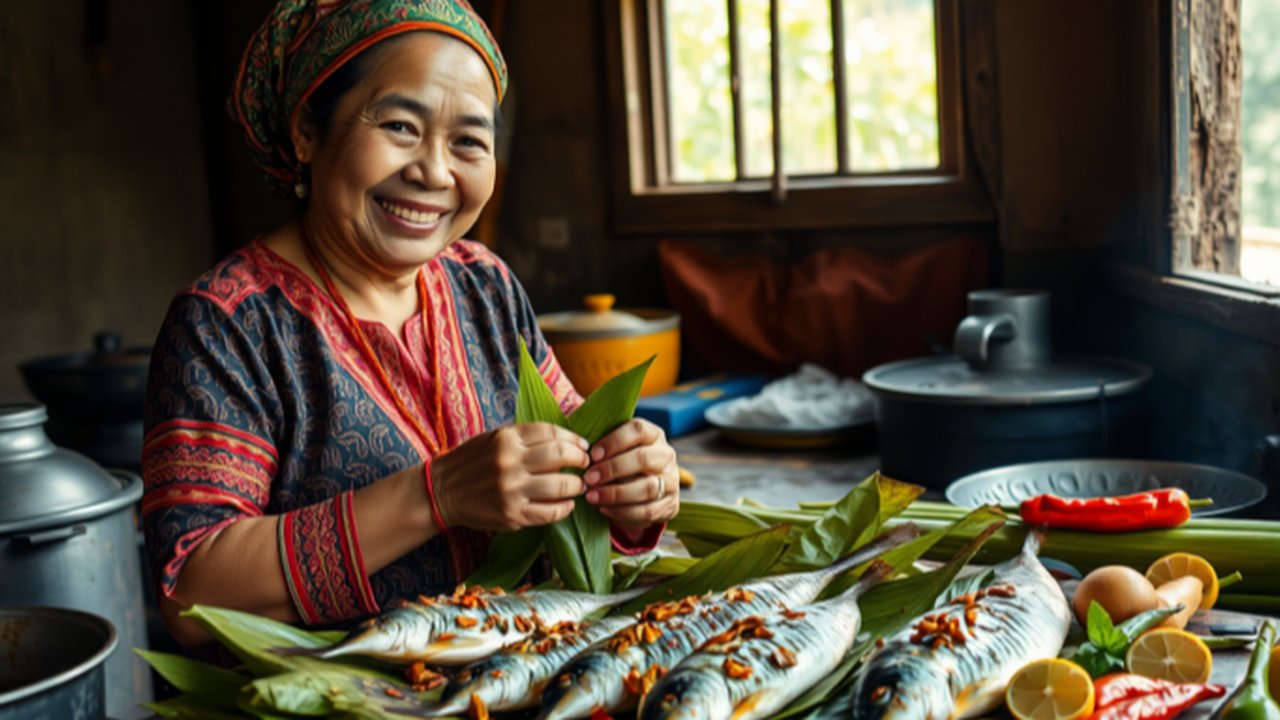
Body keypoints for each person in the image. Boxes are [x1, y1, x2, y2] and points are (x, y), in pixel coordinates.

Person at [142, 0, 679, 647]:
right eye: (400, 125)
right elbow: (190, 594)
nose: (434, 171)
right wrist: (437, 495)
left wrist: (628, 484)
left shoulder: (484, 284)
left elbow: (570, 462)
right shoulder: (227, 324)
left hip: (522, 675)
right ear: (307, 129)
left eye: (469, 142)